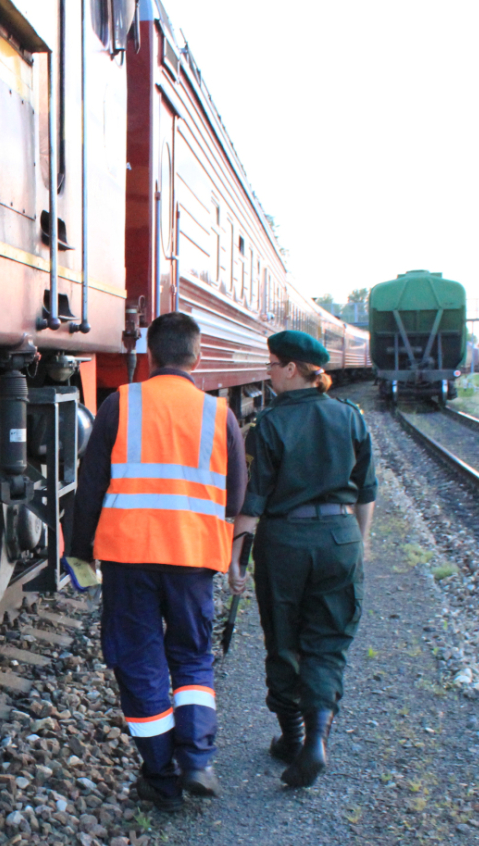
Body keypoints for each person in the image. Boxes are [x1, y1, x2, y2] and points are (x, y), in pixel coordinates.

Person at [67, 312, 247, 810]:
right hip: (193, 559)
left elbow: (90, 489)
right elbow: (234, 500)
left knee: (139, 659)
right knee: (192, 655)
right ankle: (197, 762)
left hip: (130, 556)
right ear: (197, 355)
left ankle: (160, 776)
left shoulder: (118, 404)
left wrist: (80, 550)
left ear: (150, 356)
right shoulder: (220, 415)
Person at [230, 330, 376, 788]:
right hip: (340, 537)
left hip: (286, 541)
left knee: (284, 637)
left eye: (272, 364)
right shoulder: (351, 418)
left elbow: (254, 501)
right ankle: (316, 740)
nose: (268, 373)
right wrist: (360, 542)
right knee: (327, 640)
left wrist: (236, 558)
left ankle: (292, 737)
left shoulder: (269, 425)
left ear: (292, 369)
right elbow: (366, 491)